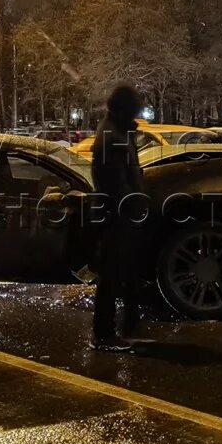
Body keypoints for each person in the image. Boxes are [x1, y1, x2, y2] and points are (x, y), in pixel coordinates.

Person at [91, 84, 148, 352]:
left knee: (123, 272)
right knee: (111, 276)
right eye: (134, 108)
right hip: (117, 216)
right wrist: (131, 204)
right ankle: (103, 333)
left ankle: (127, 324)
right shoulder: (111, 137)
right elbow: (114, 182)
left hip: (122, 214)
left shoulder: (118, 132)